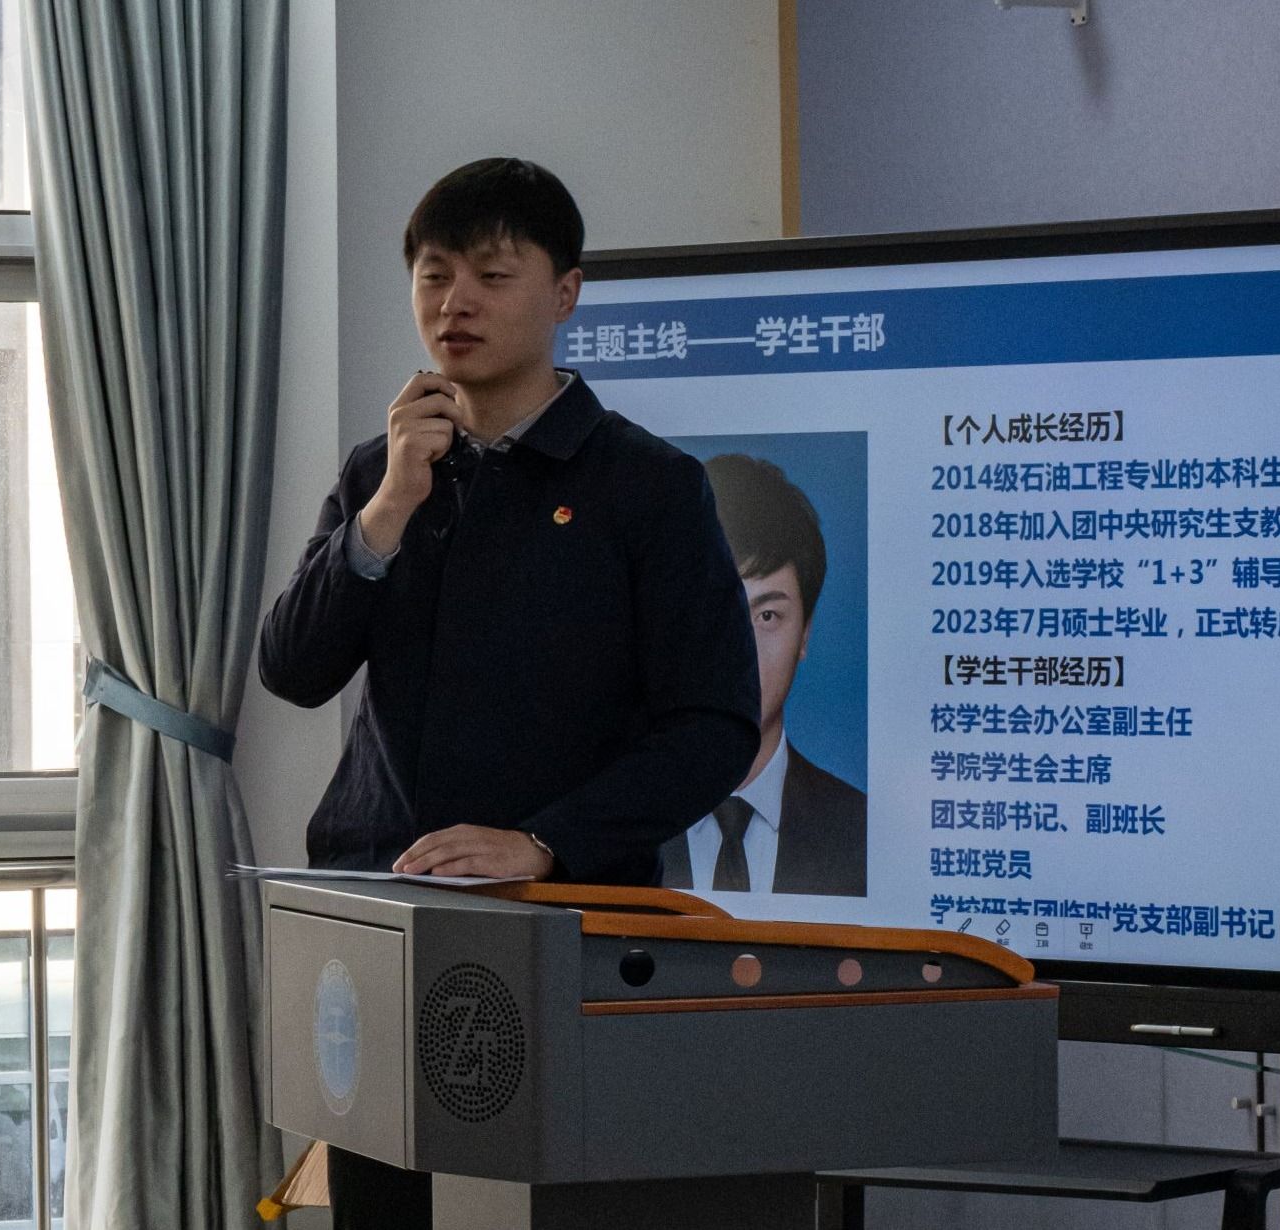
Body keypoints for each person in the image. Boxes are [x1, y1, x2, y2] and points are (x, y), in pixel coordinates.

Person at [257, 158, 760, 1229]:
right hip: (381, 916)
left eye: (491, 275)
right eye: (434, 275)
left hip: (564, 927)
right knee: (380, 1206)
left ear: (565, 293)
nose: (456, 302)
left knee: (553, 1207)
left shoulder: (647, 485)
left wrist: (543, 843)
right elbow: (291, 670)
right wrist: (388, 509)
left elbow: (714, 726)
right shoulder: (380, 473)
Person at [660, 453, 869, 896]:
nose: (740, 649)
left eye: (767, 615)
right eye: (713, 609)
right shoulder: (597, 820)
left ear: (805, 634)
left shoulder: (861, 831)